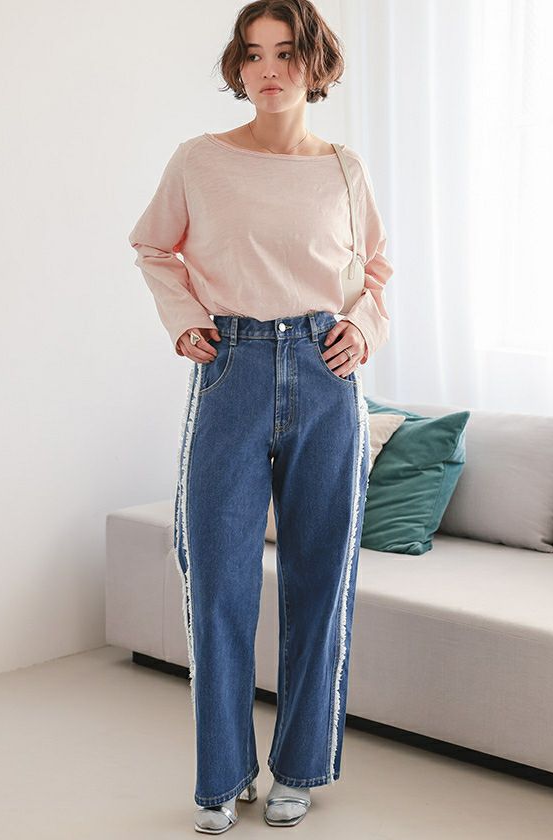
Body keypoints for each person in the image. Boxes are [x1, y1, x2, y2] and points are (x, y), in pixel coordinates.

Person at [128, 0, 393, 833]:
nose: (268, 70)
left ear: (316, 65)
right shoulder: (199, 160)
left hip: (325, 376)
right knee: (217, 577)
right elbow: (153, 247)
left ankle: (301, 767)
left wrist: (364, 328)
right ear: (237, 67)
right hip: (231, 369)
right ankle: (222, 773)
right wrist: (185, 321)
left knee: (321, 581)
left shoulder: (345, 169)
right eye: (253, 54)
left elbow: (377, 270)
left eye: (285, 53)